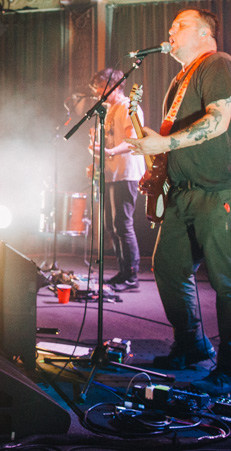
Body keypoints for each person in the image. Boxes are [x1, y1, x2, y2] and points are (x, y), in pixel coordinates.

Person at [126, 8, 231, 396]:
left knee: (229, 280)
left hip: (221, 190)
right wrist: (157, 153)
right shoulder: (179, 79)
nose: (169, 32)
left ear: (202, 31)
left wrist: (163, 143)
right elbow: (183, 137)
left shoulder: (217, 63)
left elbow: (217, 121)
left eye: (178, 26)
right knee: (168, 267)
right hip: (183, 194)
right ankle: (192, 344)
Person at [89, 68, 146, 292]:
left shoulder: (128, 106)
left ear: (115, 85)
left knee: (123, 224)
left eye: (101, 87)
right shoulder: (108, 109)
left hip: (127, 172)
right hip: (113, 172)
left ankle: (131, 276)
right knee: (113, 226)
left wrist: (110, 152)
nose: (98, 92)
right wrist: (98, 149)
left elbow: (134, 139)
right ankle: (123, 272)